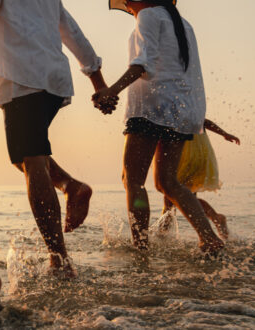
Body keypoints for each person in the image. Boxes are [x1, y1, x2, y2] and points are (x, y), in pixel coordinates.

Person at [0, 0, 115, 278]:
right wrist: (98, 81)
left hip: (22, 77)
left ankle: (60, 261)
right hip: (51, 81)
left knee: (33, 162)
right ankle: (71, 185)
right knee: (22, 158)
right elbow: (73, 32)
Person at [93, 0, 224, 255]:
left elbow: (143, 64)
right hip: (182, 110)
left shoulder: (149, 16)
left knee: (133, 181)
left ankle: (140, 248)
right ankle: (209, 239)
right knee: (168, 182)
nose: (127, 8)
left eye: (128, 4)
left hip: (152, 108)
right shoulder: (183, 24)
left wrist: (111, 91)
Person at [157, 119, 241, 240]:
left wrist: (224, 134)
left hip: (185, 153)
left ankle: (162, 234)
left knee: (172, 193)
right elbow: (203, 121)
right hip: (197, 151)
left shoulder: (175, 107)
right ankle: (215, 218)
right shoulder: (189, 106)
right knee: (184, 196)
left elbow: (203, 121)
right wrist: (224, 134)